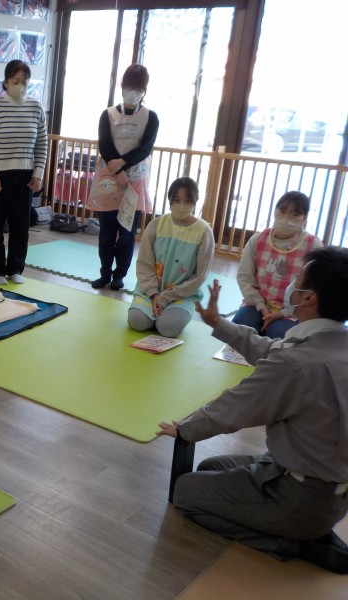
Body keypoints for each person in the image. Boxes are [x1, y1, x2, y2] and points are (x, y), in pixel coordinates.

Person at [158, 246, 348, 574]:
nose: (292, 285)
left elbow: (238, 405)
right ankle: (305, 529)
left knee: (185, 492)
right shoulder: (331, 342)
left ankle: (297, 543)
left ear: (309, 297)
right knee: (209, 466)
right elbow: (271, 351)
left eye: (298, 280)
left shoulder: (296, 363)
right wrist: (219, 323)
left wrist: (187, 428)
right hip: (318, 486)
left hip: (300, 498)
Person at [0, 59, 48, 286]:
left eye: (24, 82)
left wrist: (38, 173)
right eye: (16, 81)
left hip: (25, 176)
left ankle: (16, 267)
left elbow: (42, 144)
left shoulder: (36, 108)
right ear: (6, 82)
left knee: (20, 227)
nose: (20, 86)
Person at [88, 64, 159, 291]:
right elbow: (105, 145)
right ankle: (104, 273)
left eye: (137, 88)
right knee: (106, 233)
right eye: (129, 86)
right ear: (121, 87)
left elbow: (145, 148)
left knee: (127, 234)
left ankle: (119, 275)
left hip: (135, 182)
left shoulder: (150, 117)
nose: (132, 92)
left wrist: (123, 163)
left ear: (144, 91)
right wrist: (118, 171)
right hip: (109, 180)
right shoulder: (107, 114)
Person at [128, 177, 214, 338]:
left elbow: (199, 276)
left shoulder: (204, 232)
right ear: (170, 200)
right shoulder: (156, 224)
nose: (181, 205)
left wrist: (167, 297)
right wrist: (154, 294)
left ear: (195, 201)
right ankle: (153, 312)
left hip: (183, 295)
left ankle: (168, 314)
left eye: (187, 201)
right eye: (177, 200)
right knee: (137, 321)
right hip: (150, 291)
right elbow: (144, 264)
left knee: (168, 327)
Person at [232, 191, 322, 338]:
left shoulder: (313, 245)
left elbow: (314, 289)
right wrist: (261, 307)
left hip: (292, 311)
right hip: (257, 304)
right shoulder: (257, 240)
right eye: (283, 210)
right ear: (275, 211)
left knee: (279, 336)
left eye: (296, 214)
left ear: (304, 219)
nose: (287, 217)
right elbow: (245, 277)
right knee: (239, 329)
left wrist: (283, 313)